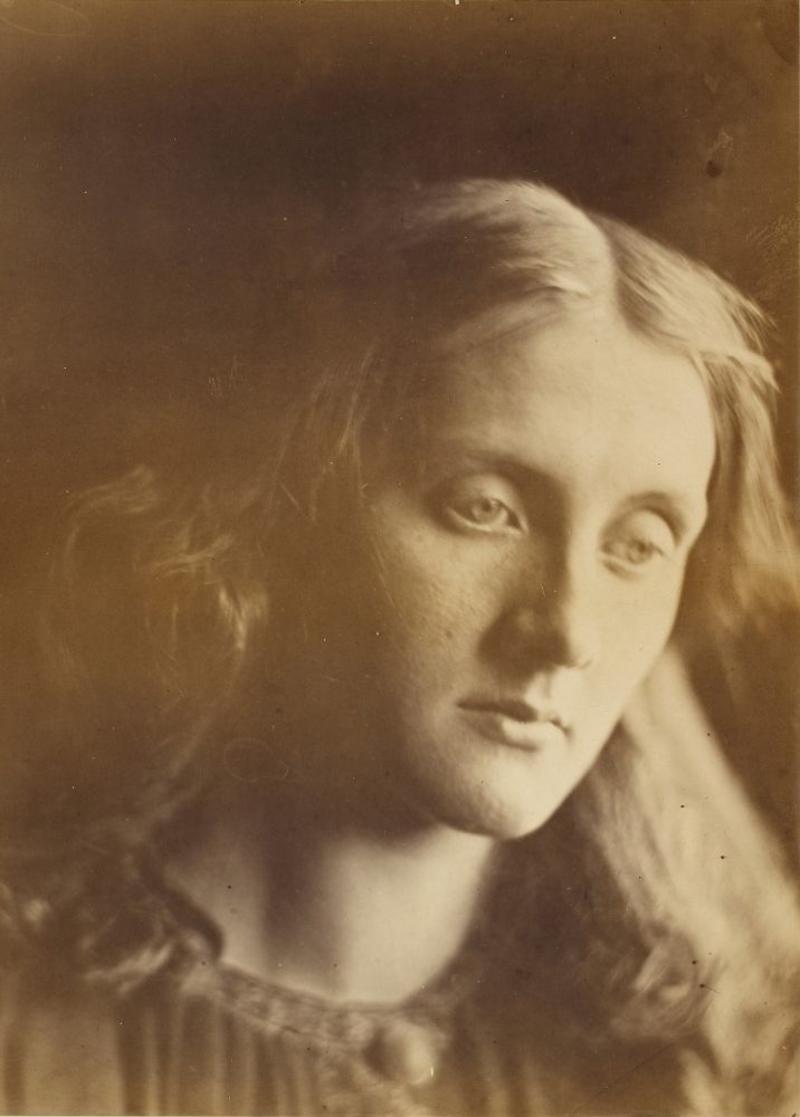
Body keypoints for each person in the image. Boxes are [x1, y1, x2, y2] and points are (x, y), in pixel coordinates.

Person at [1, 178, 798, 1115]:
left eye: (639, 545)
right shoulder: (29, 1026)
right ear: (292, 504)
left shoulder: (721, 1063)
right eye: (486, 508)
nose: (568, 631)